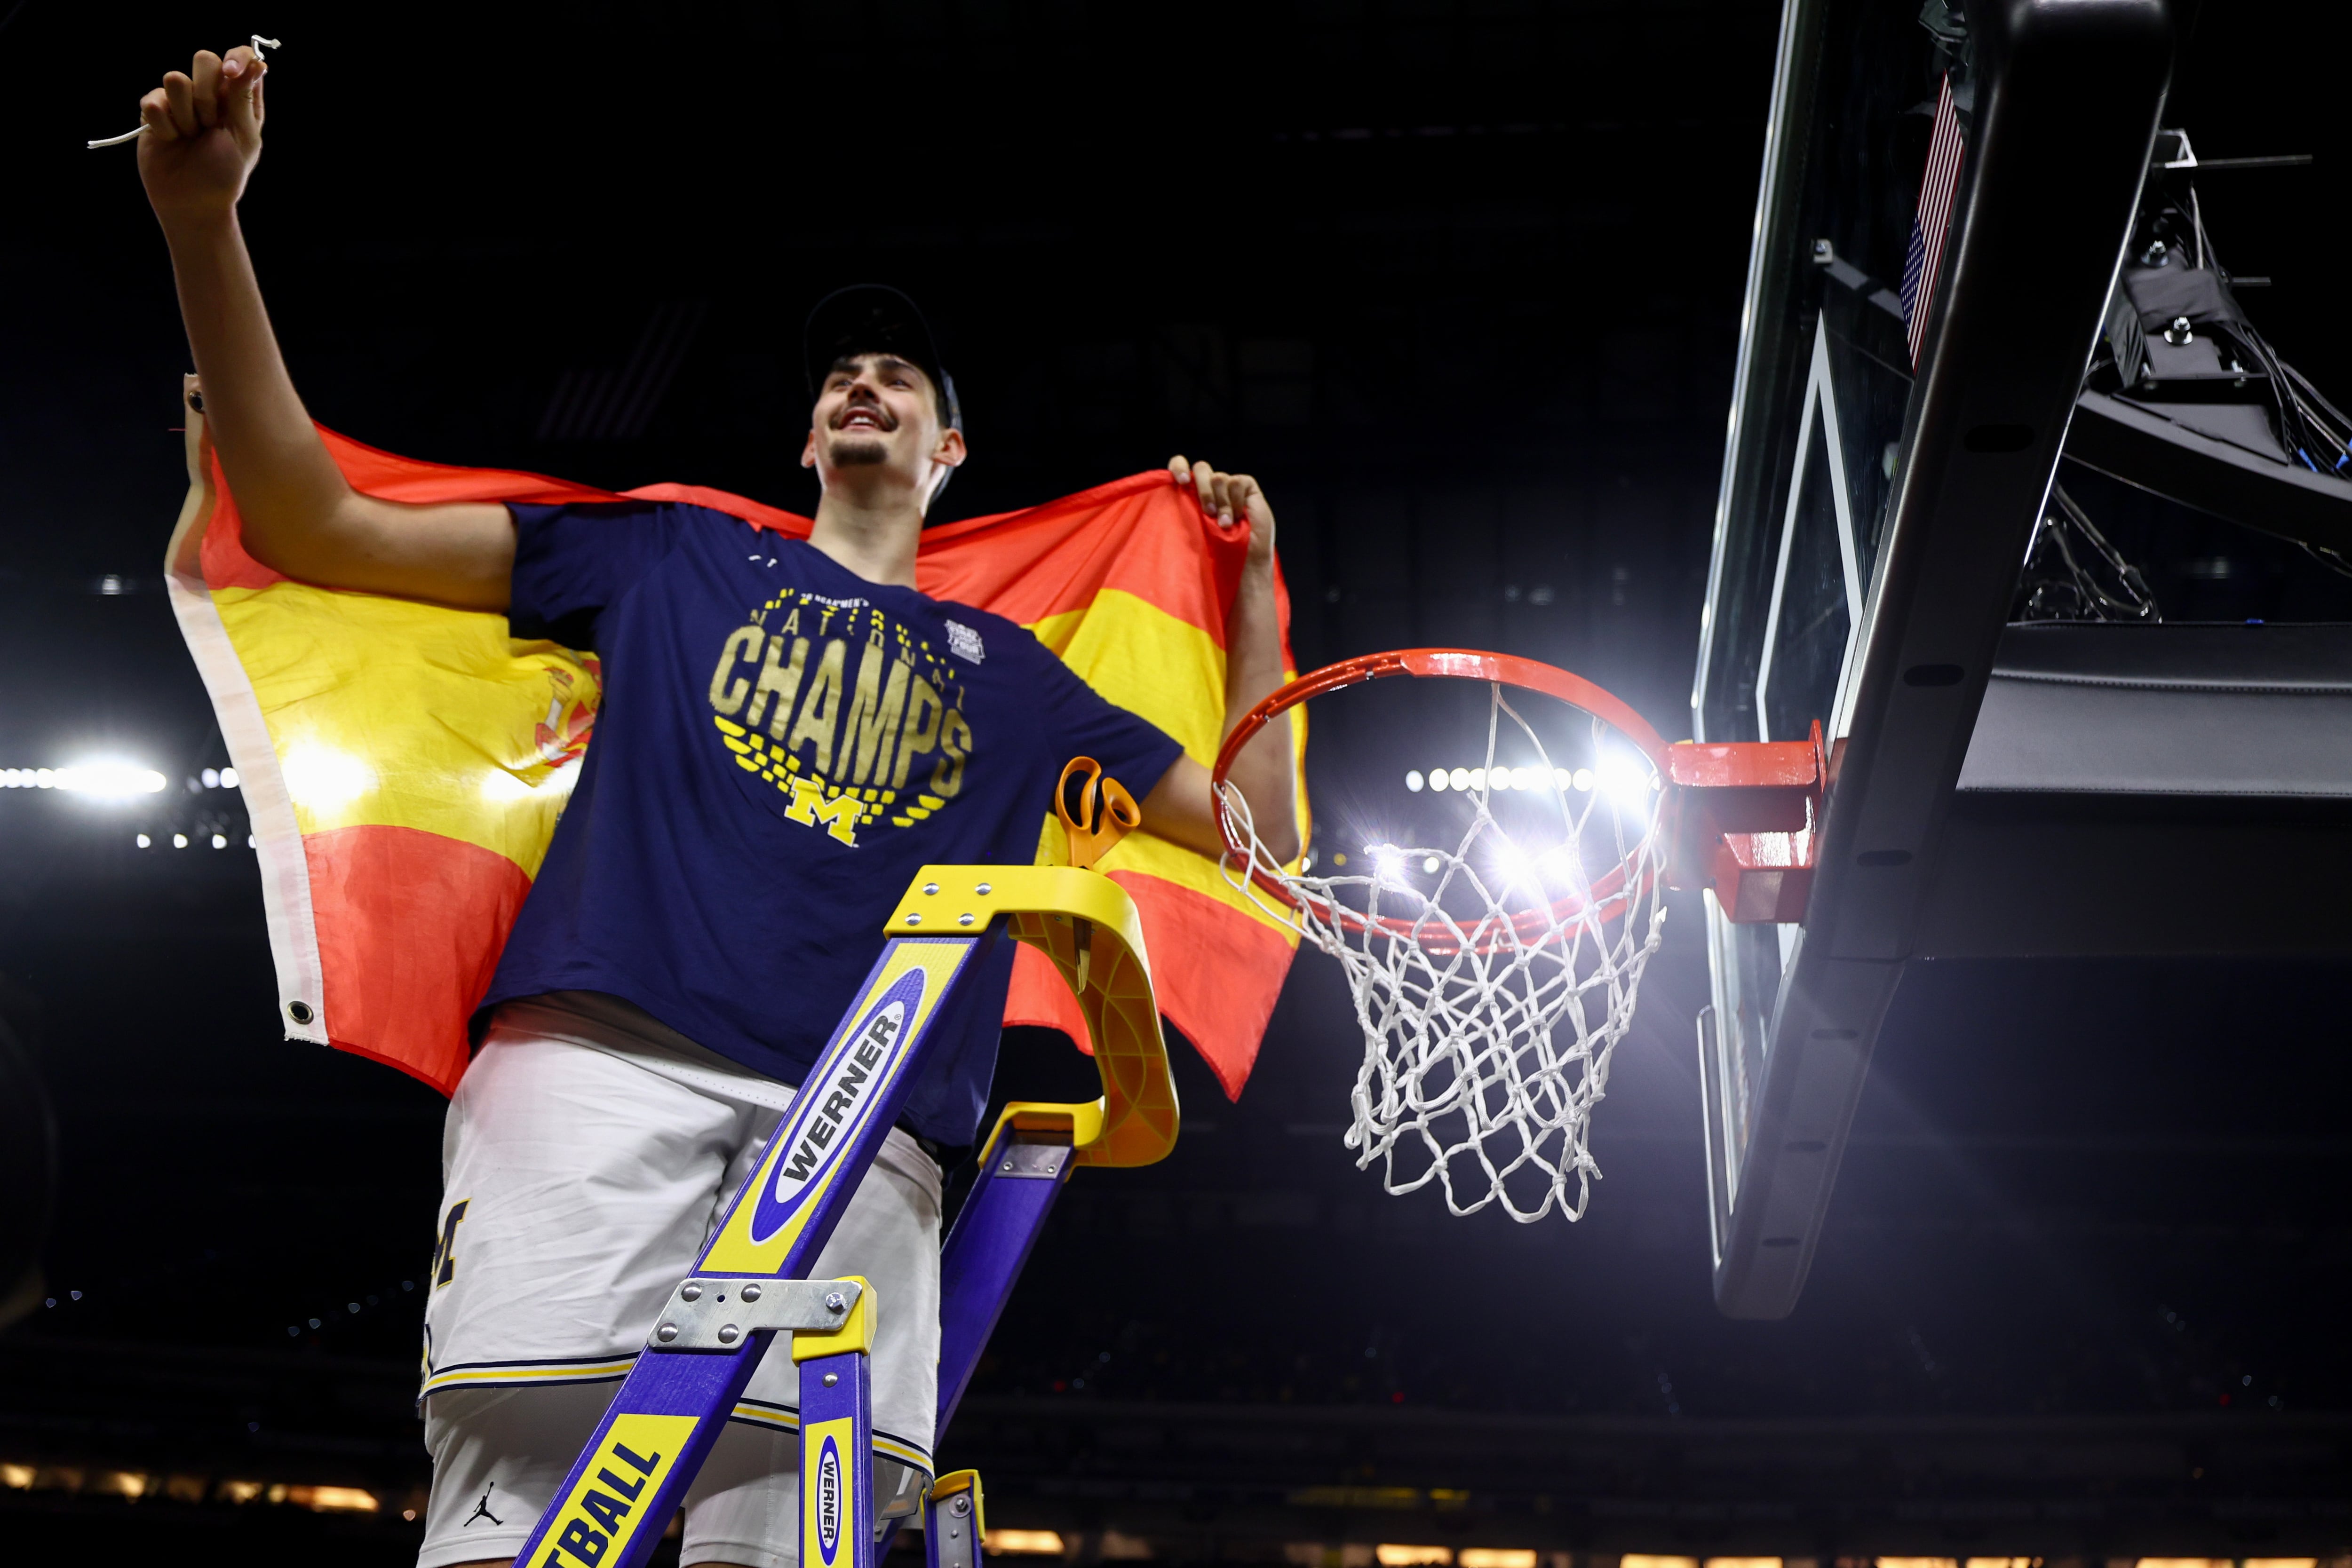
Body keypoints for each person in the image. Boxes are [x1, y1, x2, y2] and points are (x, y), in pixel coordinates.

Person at [131, 43, 1300, 1568]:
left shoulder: (1020, 680)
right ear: (808, 443)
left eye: (901, 379)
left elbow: (1266, 850)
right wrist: (202, 221)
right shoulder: (669, 549)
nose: (861, 382)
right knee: (522, 1484)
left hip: (870, 1128)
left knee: (802, 1538)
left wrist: (1258, 586)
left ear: (948, 452)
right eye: (838, 378)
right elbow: (314, 520)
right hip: (602, 1060)